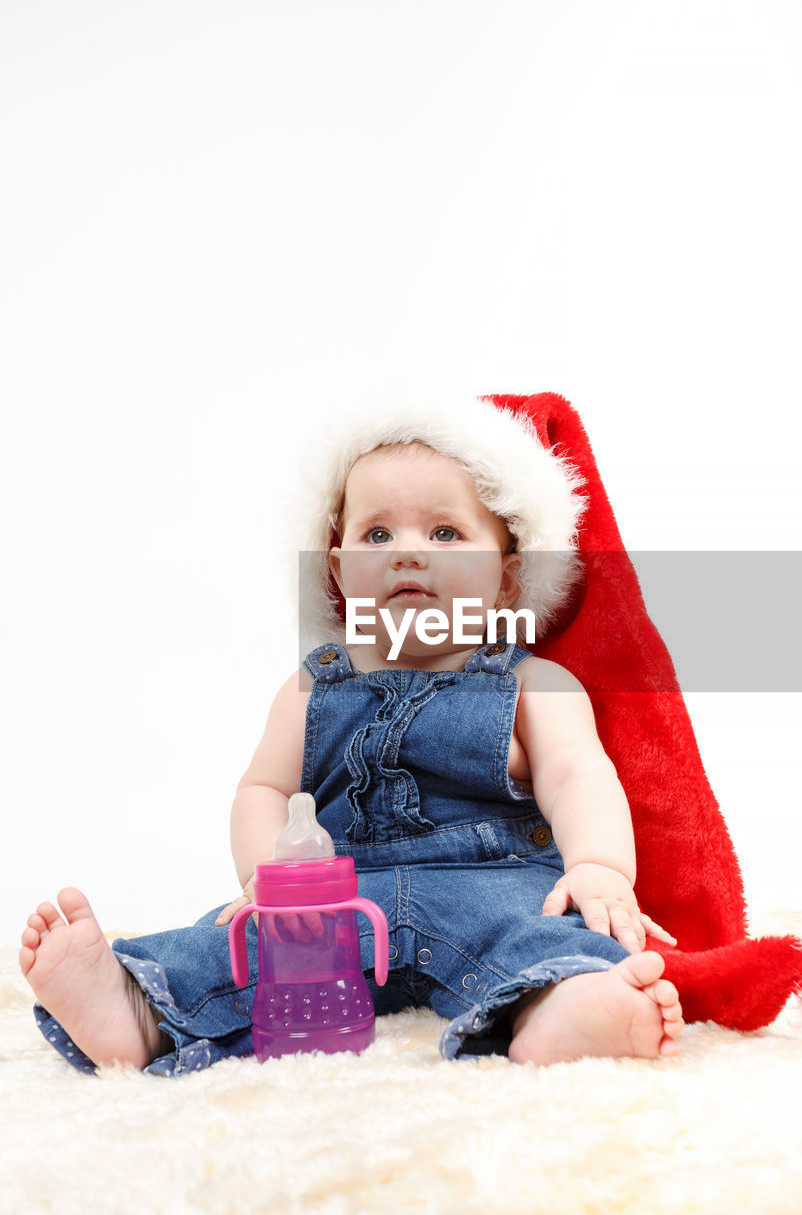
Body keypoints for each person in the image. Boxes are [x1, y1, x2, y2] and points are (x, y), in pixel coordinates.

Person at [19, 394, 684, 1076]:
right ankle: (137, 1010)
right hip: (331, 895)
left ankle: (559, 1010)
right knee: (231, 942)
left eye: (445, 533)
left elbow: (577, 774)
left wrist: (600, 866)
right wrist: (266, 876)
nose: (407, 555)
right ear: (337, 571)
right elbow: (264, 789)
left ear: (507, 579)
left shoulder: (531, 684)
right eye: (376, 535)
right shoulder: (312, 687)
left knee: (546, 937)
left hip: (488, 885)